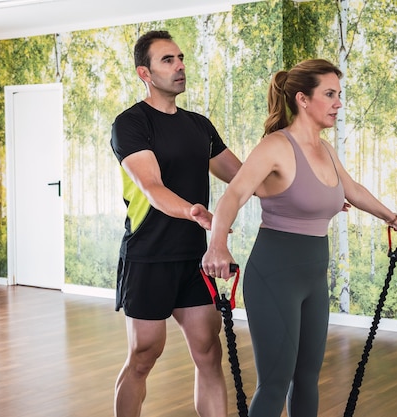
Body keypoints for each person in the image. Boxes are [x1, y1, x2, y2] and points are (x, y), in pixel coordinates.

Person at [200, 59, 397, 417]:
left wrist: (392, 218)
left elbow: (353, 190)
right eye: (329, 95)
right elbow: (233, 195)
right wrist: (218, 244)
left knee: (307, 376)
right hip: (274, 276)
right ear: (302, 99)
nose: (338, 103)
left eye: (339, 95)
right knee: (275, 381)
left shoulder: (326, 150)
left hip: (313, 278)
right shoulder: (276, 146)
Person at [110, 30, 241, 417]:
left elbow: (243, 175)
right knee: (143, 356)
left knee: (208, 352)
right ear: (144, 73)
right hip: (148, 256)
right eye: (168, 60)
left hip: (193, 259)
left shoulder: (200, 126)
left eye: (180, 57)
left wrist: (313, 190)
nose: (180, 65)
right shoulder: (131, 124)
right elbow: (151, 186)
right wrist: (193, 211)